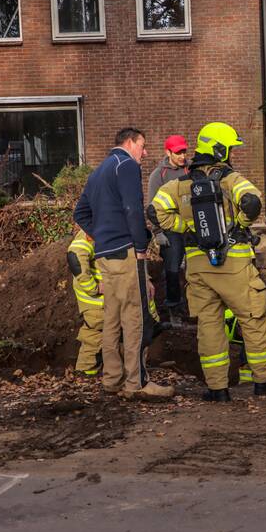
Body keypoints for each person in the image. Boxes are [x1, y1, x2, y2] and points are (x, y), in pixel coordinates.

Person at [150, 122, 266, 402]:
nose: (232, 155)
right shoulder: (230, 179)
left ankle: (217, 388)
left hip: (198, 266)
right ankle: (265, 379)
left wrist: (187, 229)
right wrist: (239, 225)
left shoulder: (179, 184)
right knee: (253, 319)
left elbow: (155, 211)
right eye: (230, 149)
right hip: (234, 264)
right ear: (220, 150)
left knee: (209, 325)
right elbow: (252, 201)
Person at [73, 127, 174, 401]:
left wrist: (101, 235)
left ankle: (112, 379)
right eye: (142, 145)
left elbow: (80, 212)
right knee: (135, 318)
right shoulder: (126, 165)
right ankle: (136, 383)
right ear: (129, 143)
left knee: (112, 318)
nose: (145, 152)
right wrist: (140, 246)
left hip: (105, 255)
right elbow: (133, 206)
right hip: (126, 253)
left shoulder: (98, 171)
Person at [147, 135, 189, 309]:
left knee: (195, 266)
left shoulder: (190, 170)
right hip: (170, 228)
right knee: (173, 266)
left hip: (192, 227)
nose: (182, 156)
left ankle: (192, 300)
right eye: (178, 153)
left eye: (184, 152)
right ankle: (173, 301)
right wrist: (158, 232)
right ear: (168, 152)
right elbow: (152, 207)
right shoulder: (159, 175)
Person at [67, 229, 104, 377]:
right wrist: (94, 287)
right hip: (97, 300)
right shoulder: (91, 230)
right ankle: (85, 373)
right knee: (94, 334)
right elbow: (75, 257)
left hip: (109, 296)